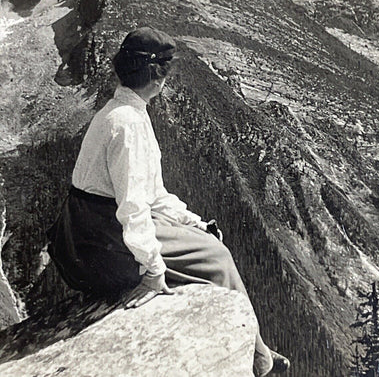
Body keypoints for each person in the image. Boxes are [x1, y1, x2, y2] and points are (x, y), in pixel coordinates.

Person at [47, 27, 290, 376]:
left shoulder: (121, 113)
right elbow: (133, 207)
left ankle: (255, 347)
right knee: (218, 258)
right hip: (102, 239)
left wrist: (191, 223)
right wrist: (153, 270)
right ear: (156, 78)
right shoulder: (128, 125)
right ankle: (257, 357)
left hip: (85, 233)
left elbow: (152, 196)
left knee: (205, 239)